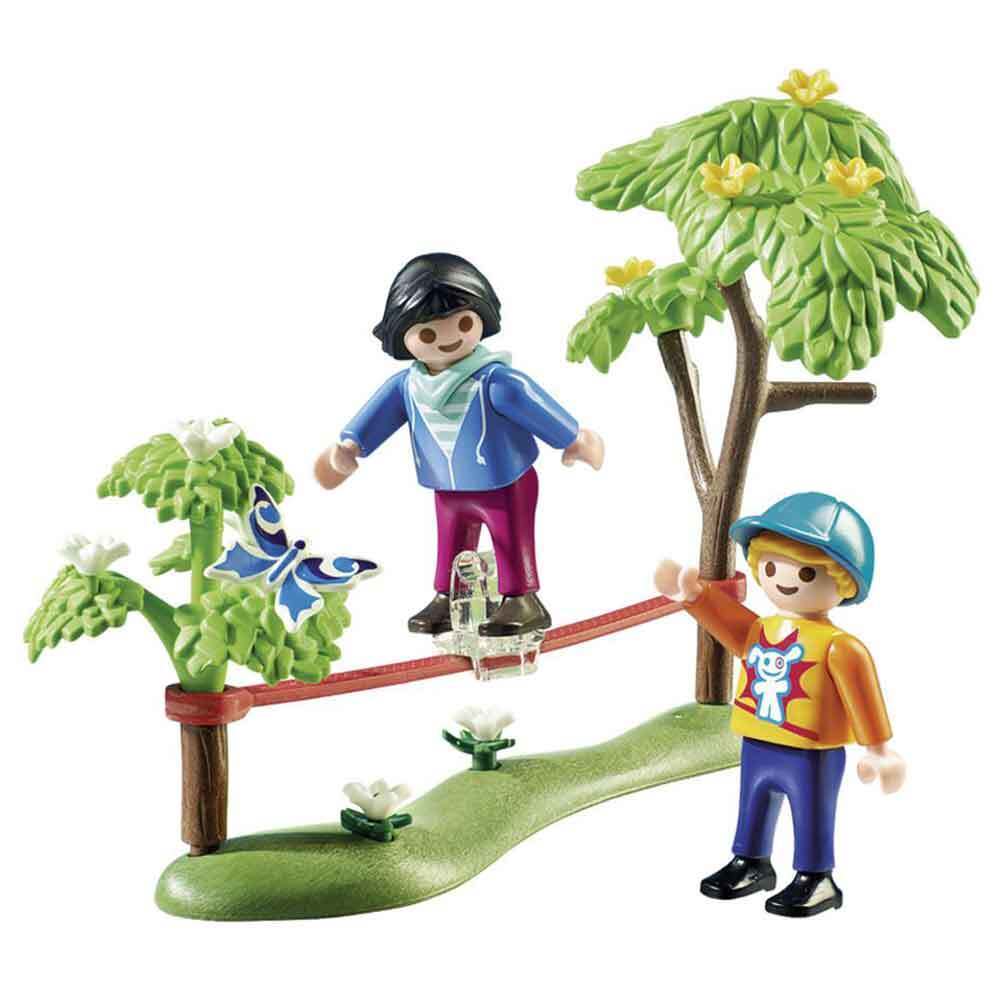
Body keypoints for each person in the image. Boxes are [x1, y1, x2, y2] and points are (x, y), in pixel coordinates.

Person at [315, 252, 604, 636]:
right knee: (450, 541)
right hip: (447, 485)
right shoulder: (408, 386)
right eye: (428, 334)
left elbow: (532, 405)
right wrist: (351, 447)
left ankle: (522, 598)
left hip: (505, 484)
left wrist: (572, 438)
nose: (449, 338)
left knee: (509, 539)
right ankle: (446, 596)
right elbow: (377, 417)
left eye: (463, 322)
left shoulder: (494, 381)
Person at [655, 492, 905, 917]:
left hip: (812, 753)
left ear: (843, 581)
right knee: (752, 804)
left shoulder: (840, 646)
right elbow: (729, 623)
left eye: (806, 571)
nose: (784, 579)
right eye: (770, 567)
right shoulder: (762, 630)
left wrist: (879, 750)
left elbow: (863, 695)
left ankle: (816, 877)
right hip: (758, 742)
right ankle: (750, 861)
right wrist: (694, 594)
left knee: (812, 813)